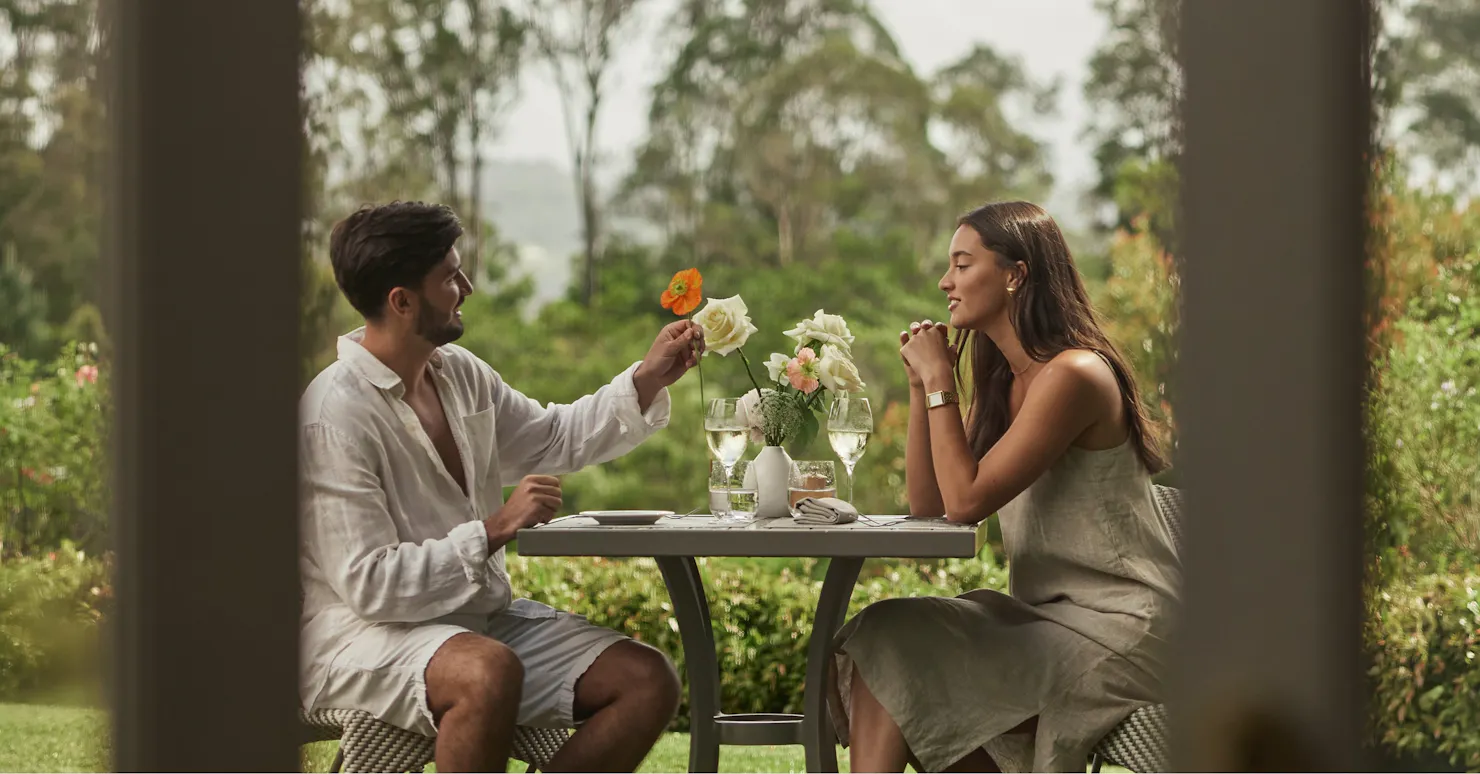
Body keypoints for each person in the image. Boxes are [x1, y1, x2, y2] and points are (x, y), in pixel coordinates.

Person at [298, 201, 702, 772]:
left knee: (646, 680)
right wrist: (494, 528)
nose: (466, 288)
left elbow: (554, 437)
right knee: (486, 671)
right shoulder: (332, 416)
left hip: (476, 625)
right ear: (402, 301)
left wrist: (647, 377)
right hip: (359, 638)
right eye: (450, 278)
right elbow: (371, 586)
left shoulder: (460, 373)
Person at [828, 201, 1182, 772]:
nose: (945, 282)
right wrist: (921, 388)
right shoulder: (1005, 383)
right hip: (1042, 619)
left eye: (963, 264)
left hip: (1122, 628)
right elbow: (932, 506)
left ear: (1015, 274)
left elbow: (966, 502)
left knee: (901, 653)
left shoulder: (1075, 374)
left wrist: (942, 379)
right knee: (886, 635)